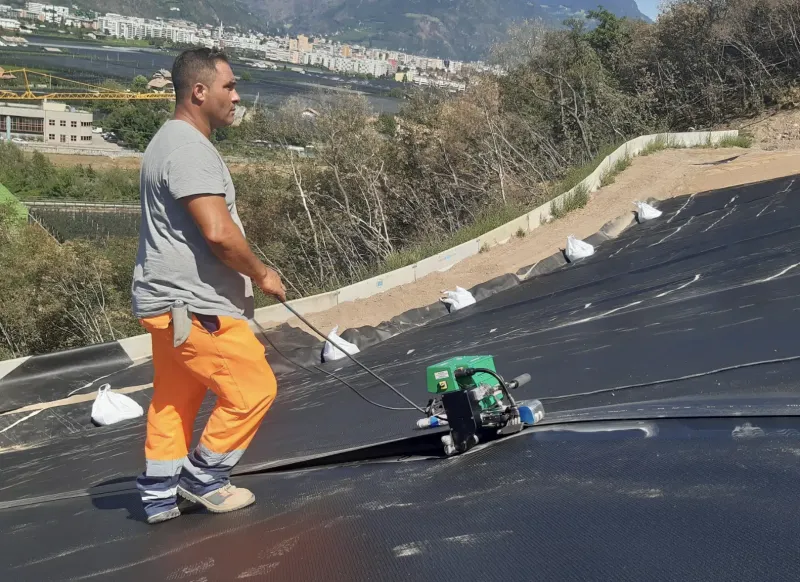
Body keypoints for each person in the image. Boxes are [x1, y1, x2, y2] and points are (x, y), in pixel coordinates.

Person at [131, 47, 286, 525]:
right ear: (199, 91)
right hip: (195, 306)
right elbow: (218, 233)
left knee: (175, 398)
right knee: (253, 389)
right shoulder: (188, 150)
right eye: (229, 87)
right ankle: (204, 479)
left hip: (166, 304)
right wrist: (261, 274)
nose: (236, 97)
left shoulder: (168, 141)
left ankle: (160, 495)